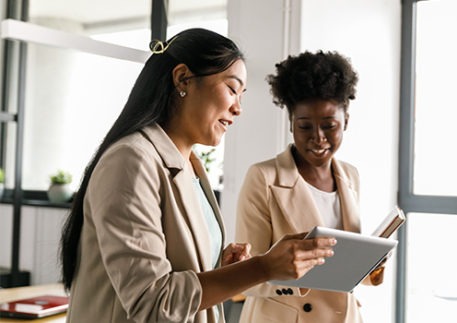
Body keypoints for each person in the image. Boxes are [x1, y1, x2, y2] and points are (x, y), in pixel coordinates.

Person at [59, 28, 336, 323]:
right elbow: (153, 303)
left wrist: (223, 266)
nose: (238, 108)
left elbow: (178, 268)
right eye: (232, 88)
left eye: (242, 95)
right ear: (183, 79)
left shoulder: (190, 166)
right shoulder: (131, 160)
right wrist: (262, 268)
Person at [235, 50, 385, 323]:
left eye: (329, 126)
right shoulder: (263, 178)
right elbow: (244, 275)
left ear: (346, 123)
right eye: (305, 127)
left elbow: (341, 266)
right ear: (292, 124)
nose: (318, 138)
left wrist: (369, 266)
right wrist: (294, 275)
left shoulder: (350, 176)